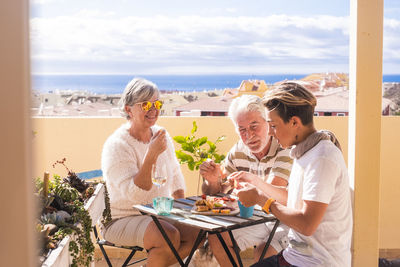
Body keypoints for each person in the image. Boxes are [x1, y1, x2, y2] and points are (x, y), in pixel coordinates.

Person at [234, 82, 353, 267]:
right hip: (295, 256)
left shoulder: (322, 158)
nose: (271, 133)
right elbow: (291, 198)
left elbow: (306, 224)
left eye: (273, 125)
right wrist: (254, 181)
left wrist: (260, 200)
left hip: (316, 263)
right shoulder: (305, 151)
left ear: (295, 122)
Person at [101, 78, 198, 267]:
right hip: (122, 218)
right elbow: (136, 194)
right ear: (128, 109)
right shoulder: (117, 145)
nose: (153, 109)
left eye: (157, 103)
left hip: (157, 214)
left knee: (197, 232)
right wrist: (151, 155)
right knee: (167, 236)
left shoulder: (161, 133)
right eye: (145, 104)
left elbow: (175, 173)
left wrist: (183, 208)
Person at [199, 94, 293, 266]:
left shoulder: (284, 147)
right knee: (216, 236)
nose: (249, 135)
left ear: (268, 123)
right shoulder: (238, 151)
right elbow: (217, 191)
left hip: (286, 220)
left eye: (254, 126)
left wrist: (247, 182)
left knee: (262, 255)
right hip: (255, 219)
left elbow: (272, 190)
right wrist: (212, 182)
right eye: (242, 129)